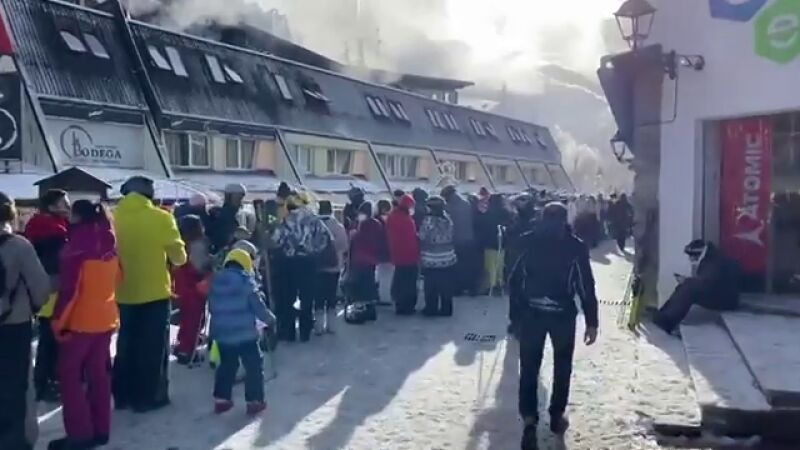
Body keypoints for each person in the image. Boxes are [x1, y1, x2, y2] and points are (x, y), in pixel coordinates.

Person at [509, 202, 599, 450]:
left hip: (531, 314)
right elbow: (585, 285)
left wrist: (515, 317)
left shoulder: (527, 241)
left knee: (529, 367)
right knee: (562, 366)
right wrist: (592, 321)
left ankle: (529, 419)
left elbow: (514, 281)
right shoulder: (575, 246)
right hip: (562, 315)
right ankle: (556, 415)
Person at [48, 201, 119, 450]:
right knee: (99, 375)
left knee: (70, 376)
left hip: (80, 321)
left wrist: (58, 322)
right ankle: (101, 429)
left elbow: (70, 291)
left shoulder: (76, 247)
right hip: (106, 318)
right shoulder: (109, 240)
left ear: (77, 217)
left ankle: (80, 434)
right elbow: (119, 277)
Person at [112, 176, 187, 413]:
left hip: (122, 291)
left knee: (126, 343)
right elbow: (179, 258)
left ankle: (122, 395)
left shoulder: (113, 217)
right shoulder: (161, 218)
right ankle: (149, 397)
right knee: (153, 348)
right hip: (155, 293)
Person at [0, 192, 50, 450]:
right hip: (15, 324)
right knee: (18, 385)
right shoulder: (19, 246)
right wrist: (32, 306)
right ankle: (18, 440)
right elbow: (41, 288)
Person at [208, 249, 274, 416]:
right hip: (246, 335)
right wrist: (269, 319)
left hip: (223, 334)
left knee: (226, 366)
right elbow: (257, 305)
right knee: (253, 366)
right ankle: (254, 401)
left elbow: (212, 309)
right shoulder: (246, 281)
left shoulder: (215, 282)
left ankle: (222, 399)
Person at [24, 189, 70, 402]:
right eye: (63, 203)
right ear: (51, 207)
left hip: (41, 292)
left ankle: (44, 382)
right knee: (52, 342)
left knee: (47, 339)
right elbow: (57, 264)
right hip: (54, 292)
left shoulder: (39, 225)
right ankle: (47, 382)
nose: (68, 207)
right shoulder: (53, 231)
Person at [272, 193, 331, 342]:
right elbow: (326, 238)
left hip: (288, 263)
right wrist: (314, 250)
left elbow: (276, 241)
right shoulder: (314, 220)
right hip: (308, 262)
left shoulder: (285, 220)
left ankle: (289, 332)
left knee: (288, 298)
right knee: (307, 298)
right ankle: (305, 332)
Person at [653, 240, 740, 335]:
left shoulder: (713, 261)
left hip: (726, 300)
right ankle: (664, 315)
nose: (690, 259)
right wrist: (687, 281)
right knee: (684, 286)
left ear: (698, 254)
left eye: (691, 256)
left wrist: (687, 281)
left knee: (689, 288)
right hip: (719, 293)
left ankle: (668, 320)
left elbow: (707, 283)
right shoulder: (711, 258)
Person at [172, 215, 212, 365]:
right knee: (194, 319)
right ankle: (188, 351)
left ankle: (183, 344)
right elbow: (199, 266)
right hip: (195, 285)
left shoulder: (180, 243)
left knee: (186, 317)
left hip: (182, 285)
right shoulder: (198, 245)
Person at [505, 194, 538, 336]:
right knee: (518, 292)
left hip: (522, 260)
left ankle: (520, 323)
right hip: (521, 260)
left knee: (520, 293)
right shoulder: (528, 219)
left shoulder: (527, 221)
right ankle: (517, 322)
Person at [418, 196, 457, 317]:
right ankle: (447, 309)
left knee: (431, 286)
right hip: (448, 257)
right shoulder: (448, 219)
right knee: (446, 285)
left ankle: (431, 308)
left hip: (432, 258)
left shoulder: (428, 221)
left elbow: (422, 236)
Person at [346, 202, 383, 323]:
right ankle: (370, 312)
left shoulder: (360, 226)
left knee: (359, 288)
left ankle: (360, 313)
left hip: (359, 260)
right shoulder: (376, 224)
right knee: (369, 286)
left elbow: (354, 243)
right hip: (371, 260)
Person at [315, 201, 348, 335]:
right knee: (331, 296)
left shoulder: (314, 225)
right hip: (334, 267)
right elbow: (344, 247)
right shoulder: (338, 227)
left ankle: (318, 326)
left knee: (318, 297)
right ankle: (331, 326)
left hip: (317, 267)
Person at [441, 185, 479, 296]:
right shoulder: (467, 204)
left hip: (456, 241)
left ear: (448, 196)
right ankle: (472, 288)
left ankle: (458, 289)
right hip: (469, 239)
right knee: (469, 265)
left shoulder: (448, 207)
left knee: (457, 267)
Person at [386, 195, 420, 315]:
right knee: (410, 282)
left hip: (397, 254)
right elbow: (412, 237)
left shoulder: (392, 216)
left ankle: (399, 304)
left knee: (399, 280)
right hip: (410, 255)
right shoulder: (407, 219)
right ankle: (409, 306)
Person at [477, 194, 513, 296]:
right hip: (502, 243)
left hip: (490, 243)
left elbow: (482, 227)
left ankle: (490, 285)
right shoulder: (507, 213)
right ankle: (499, 283)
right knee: (500, 264)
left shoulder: (488, 214)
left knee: (490, 265)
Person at [208, 183, 247, 253]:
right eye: (239, 198)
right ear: (229, 197)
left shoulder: (240, 213)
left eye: (241, 198)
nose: (240, 201)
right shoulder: (220, 213)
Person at [374, 199, 394, 306]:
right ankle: (385, 297)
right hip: (389, 251)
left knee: (381, 275)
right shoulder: (391, 219)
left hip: (379, 251)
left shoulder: (375, 220)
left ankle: (380, 295)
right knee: (387, 277)